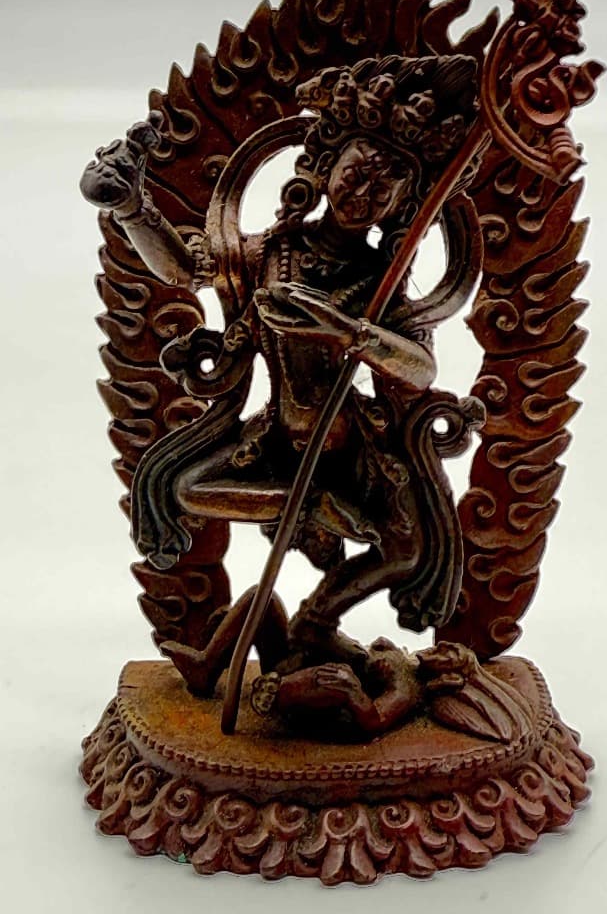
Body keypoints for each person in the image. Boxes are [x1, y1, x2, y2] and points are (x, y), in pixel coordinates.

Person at [81, 55, 484, 679]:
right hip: (277, 442)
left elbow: (420, 368)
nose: (363, 194)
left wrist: (345, 330)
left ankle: (315, 623)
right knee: (185, 489)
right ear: (324, 168)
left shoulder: (381, 281)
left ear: (405, 206)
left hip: (352, 448)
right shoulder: (273, 253)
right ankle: (308, 518)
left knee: (407, 547)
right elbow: (184, 270)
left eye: (385, 187)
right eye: (356, 172)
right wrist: (131, 207)